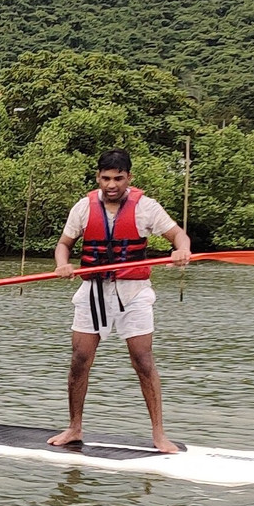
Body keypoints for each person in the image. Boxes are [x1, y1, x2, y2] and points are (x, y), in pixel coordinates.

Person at [49, 148, 192, 454]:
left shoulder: (147, 208)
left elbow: (179, 236)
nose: (111, 185)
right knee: (79, 359)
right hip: (93, 291)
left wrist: (181, 250)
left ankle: (159, 434)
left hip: (133, 292)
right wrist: (63, 264)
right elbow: (64, 244)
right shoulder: (83, 208)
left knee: (143, 360)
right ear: (97, 178)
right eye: (106, 178)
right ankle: (74, 427)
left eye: (118, 178)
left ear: (129, 178)